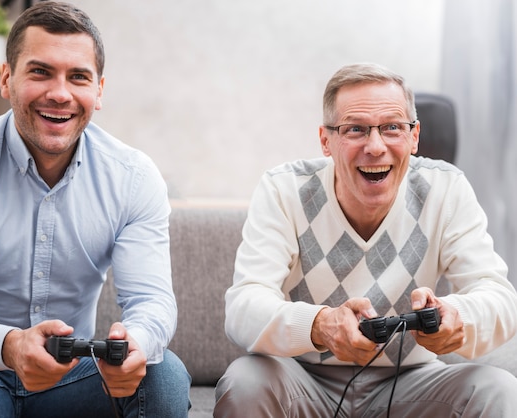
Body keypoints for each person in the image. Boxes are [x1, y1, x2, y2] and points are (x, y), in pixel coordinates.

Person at [0, 2, 191, 417]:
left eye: (78, 77)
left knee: (165, 374)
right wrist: (9, 346)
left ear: (99, 91)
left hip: (76, 380)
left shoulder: (133, 177)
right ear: (6, 79)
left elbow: (151, 300)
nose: (60, 93)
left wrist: (136, 342)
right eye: (40, 72)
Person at [214, 62, 517, 417]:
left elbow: (499, 298)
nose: (375, 147)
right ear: (326, 141)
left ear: (414, 136)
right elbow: (243, 306)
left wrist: (457, 316)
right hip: (302, 379)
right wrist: (319, 325)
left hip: (411, 381)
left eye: (392, 128)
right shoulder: (284, 189)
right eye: (355, 130)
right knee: (245, 382)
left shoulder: (445, 190)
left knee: (499, 389)